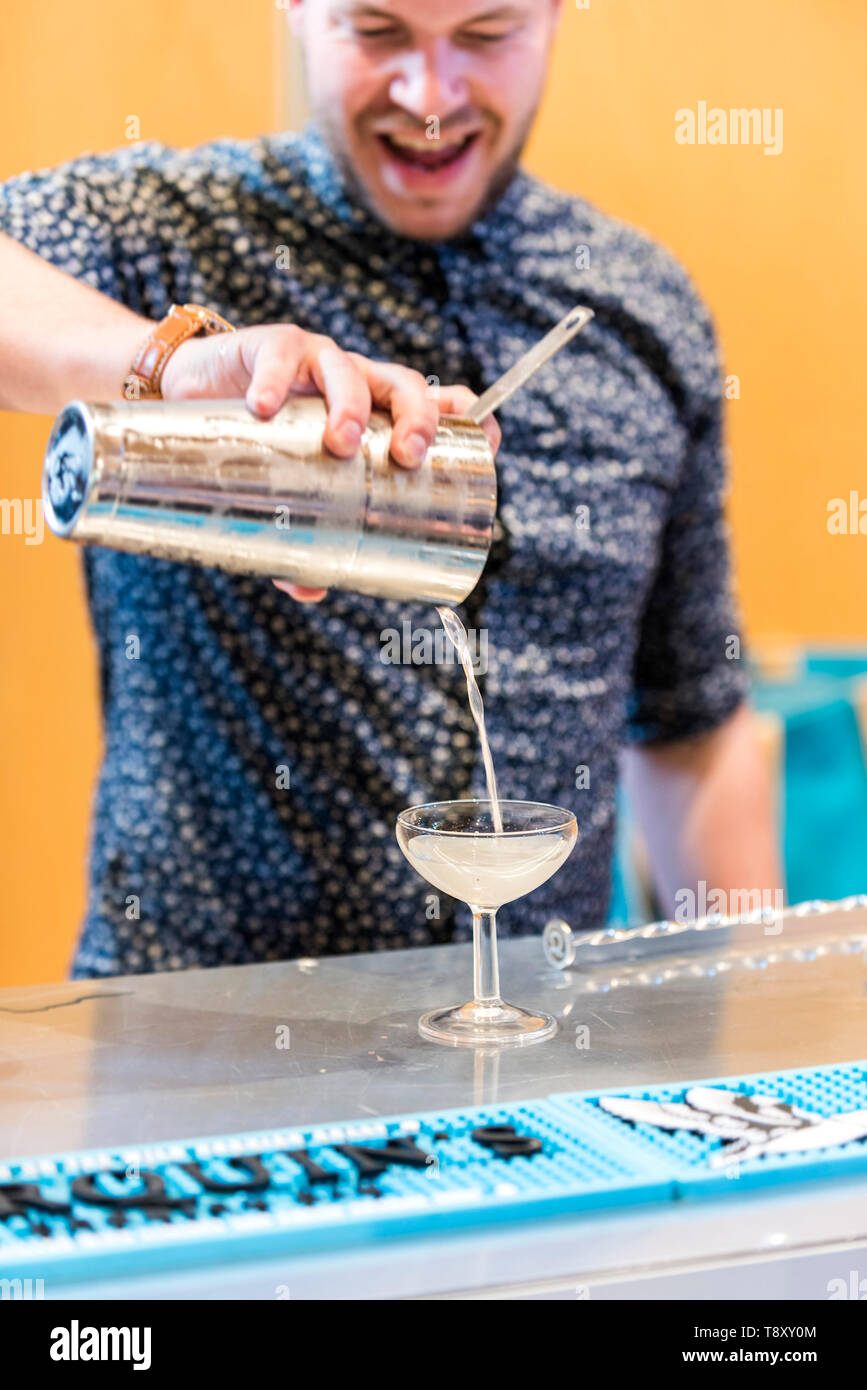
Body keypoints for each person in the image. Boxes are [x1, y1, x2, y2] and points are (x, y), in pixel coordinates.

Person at [0, 0, 780, 978]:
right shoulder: (171, 227)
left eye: (487, 34)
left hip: (541, 1052)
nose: (429, 95)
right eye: (377, 31)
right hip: (201, 1046)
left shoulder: (635, 304)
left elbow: (694, 730)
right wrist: (163, 361)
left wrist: (755, 1028)